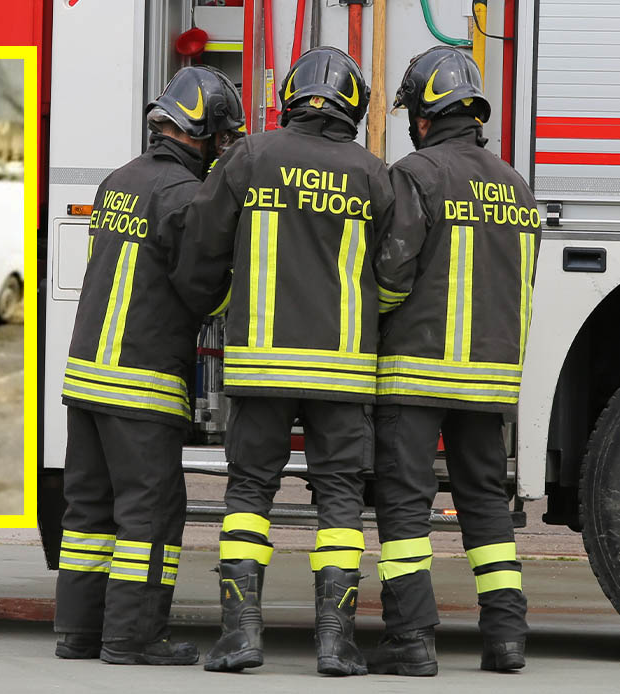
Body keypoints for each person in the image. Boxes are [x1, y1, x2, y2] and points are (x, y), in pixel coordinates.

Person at [184, 46, 395, 676]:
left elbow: (203, 242)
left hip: (260, 367)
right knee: (338, 503)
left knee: (250, 492)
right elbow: (396, 264)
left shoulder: (249, 157)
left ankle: (241, 636)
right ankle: (337, 644)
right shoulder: (374, 173)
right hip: (343, 372)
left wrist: (210, 303)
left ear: (292, 98)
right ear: (353, 106)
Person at [55, 65, 243, 666]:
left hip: (86, 378)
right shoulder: (185, 197)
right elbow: (201, 293)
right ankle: (133, 638)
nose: (224, 148)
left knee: (88, 514)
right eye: (223, 137)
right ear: (205, 134)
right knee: (149, 515)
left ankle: (79, 633)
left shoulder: (118, 182)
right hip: (142, 384)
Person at [368, 46, 541, 676]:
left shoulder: (414, 174)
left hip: (416, 372)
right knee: (486, 503)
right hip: (491, 379)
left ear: (421, 116)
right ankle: (507, 638)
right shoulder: (518, 186)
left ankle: (411, 640)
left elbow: (392, 270)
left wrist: (378, 317)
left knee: (407, 506)